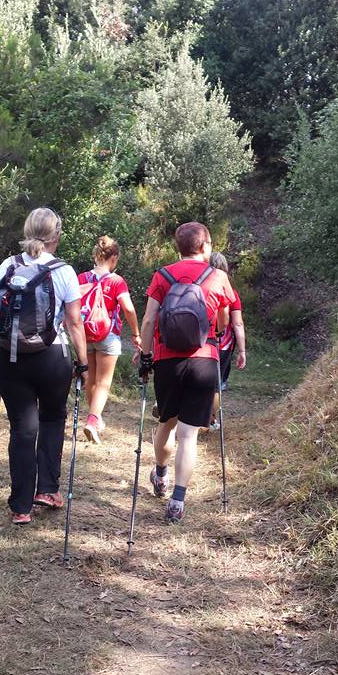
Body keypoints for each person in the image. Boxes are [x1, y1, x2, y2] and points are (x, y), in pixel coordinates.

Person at [0, 208, 89, 526]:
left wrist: (3, 335)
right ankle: (47, 489)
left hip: (8, 357)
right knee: (53, 418)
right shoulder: (63, 271)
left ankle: (20, 507)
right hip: (51, 356)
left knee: (22, 429)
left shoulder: (8, 264)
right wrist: (83, 363)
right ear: (56, 236)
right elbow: (73, 322)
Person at [138, 221, 237, 523]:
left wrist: (145, 357)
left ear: (177, 248)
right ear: (206, 246)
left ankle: (160, 472)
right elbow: (222, 324)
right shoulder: (218, 277)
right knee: (189, 434)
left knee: (166, 423)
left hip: (168, 360)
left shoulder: (162, 275)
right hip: (204, 360)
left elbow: (148, 321)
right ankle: (178, 500)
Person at [79, 236, 141, 444]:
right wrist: (136, 333)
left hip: (85, 334)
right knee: (104, 383)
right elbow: (128, 308)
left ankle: (95, 417)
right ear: (113, 257)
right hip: (107, 335)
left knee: (91, 379)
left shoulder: (82, 278)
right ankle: (92, 420)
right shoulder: (116, 281)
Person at [209, 251, 247, 429]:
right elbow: (237, 324)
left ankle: (182, 411)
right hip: (222, 344)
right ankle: (211, 419)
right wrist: (242, 350)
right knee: (215, 384)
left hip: (199, 341)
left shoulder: (197, 286)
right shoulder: (231, 293)